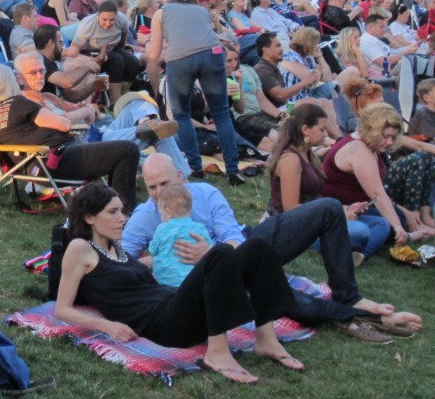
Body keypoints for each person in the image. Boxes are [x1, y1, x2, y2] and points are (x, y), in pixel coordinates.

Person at [124, 153, 422, 342]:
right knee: (277, 293)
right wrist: (159, 260)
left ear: (180, 175)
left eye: (164, 183)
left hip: (247, 244)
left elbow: (233, 235)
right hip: (218, 278)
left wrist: (213, 253)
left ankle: (349, 295)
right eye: (152, 187)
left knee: (328, 208)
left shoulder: (206, 192)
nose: (159, 193)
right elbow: (121, 258)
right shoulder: (145, 215)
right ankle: (357, 317)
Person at [55, 183, 300, 384]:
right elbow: (62, 309)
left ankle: (266, 339)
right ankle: (217, 352)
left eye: (122, 211)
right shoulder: (80, 248)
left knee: (257, 247)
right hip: (164, 323)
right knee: (220, 254)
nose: (123, 218)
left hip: (176, 302)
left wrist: (179, 253)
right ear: (89, 217)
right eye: (113, 212)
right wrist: (107, 326)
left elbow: (141, 267)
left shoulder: (115, 248)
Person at [0, 63, 140, 213]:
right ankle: (123, 213)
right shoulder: (17, 103)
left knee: (119, 150)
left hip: (40, 165)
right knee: (128, 150)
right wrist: (85, 111)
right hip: (55, 162)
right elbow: (63, 124)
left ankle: (110, 207)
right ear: (10, 81)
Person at [146, 0, 243, 184]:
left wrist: (149, 46)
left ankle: (195, 167)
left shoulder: (162, 13)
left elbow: (154, 55)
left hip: (181, 60)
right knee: (222, 113)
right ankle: (233, 170)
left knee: (182, 114)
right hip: (213, 55)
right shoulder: (202, 12)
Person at [267, 104, 388, 265]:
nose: (326, 134)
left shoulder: (309, 154)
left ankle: (360, 255)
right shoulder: (291, 159)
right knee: (361, 231)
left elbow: (315, 198)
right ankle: (348, 249)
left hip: (317, 219)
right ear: (305, 129)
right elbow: (290, 209)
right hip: (296, 227)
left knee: (381, 224)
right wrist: (335, 214)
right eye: (322, 129)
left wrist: (346, 209)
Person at [321, 103, 435, 244]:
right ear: (372, 130)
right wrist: (397, 225)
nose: (389, 142)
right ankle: (409, 228)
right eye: (387, 137)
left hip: (366, 202)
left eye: (393, 138)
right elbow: (377, 194)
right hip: (347, 208)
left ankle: (420, 217)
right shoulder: (358, 150)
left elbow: (420, 145)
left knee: (426, 157)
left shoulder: (372, 143)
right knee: (392, 222)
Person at [73, 0, 140, 104]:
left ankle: (123, 97)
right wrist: (89, 60)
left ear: (117, 16)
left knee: (133, 63)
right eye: (104, 19)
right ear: (97, 16)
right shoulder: (87, 25)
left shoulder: (122, 20)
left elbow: (123, 38)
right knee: (117, 61)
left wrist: (121, 51)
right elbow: (74, 49)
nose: (108, 23)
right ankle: (114, 102)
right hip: (89, 51)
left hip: (111, 47)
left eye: (111, 20)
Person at [147, 184, 211, 287]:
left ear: (168, 212)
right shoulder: (200, 229)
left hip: (165, 281)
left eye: (161, 213)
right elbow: (208, 250)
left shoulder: (162, 229)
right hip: (194, 281)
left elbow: (153, 250)